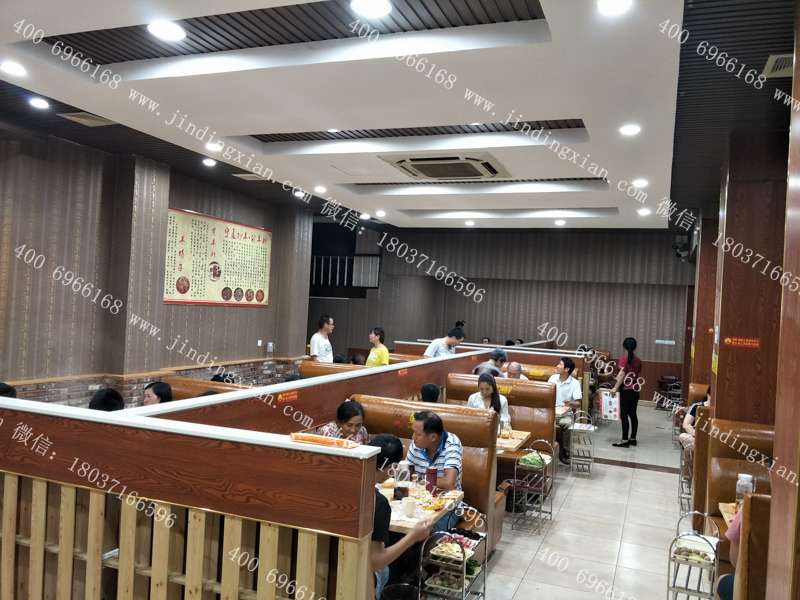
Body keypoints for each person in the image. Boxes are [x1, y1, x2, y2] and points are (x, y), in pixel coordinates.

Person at [369, 434, 432, 600]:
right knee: (388, 569)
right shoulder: (378, 502)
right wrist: (413, 537)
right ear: (392, 467)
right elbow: (375, 561)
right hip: (360, 576)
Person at [406, 411, 463, 531]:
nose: (413, 437)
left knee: (426, 529)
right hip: (419, 502)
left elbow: (449, 483)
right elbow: (406, 473)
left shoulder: (451, 444)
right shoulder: (416, 444)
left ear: (433, 437)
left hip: (448, 506)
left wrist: (419, 479)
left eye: (418, 434)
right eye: (413, 432)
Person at [547, 357, 582, 464]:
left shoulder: (575, 383)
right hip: (550, 413)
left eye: (560, 364)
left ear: (566, 369)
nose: (557, 366)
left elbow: (578, 403)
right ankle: (546, 450)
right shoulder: (553, 378)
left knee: (568, 424)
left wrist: (569, 403)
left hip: (565, 414)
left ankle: (565, 451)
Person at [611, 337, 642, 448]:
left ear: (624, 346)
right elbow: (636, 373)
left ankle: (624, 440)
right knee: (633, 414)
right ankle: (633, 439)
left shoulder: (623, 359)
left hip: (626, 391)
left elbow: (622, 375)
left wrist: (615, 388)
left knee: (623, 415)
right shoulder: (638, 360)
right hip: (635, 391)